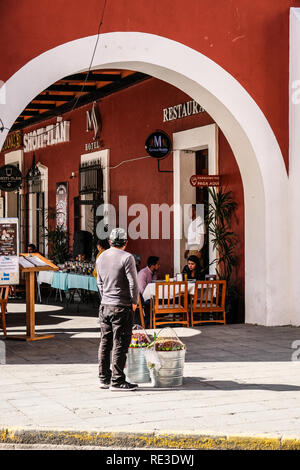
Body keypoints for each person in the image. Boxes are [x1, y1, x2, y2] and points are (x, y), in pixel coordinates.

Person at [96, 228, 139, 391]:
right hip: (121, 306)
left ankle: (104, 378)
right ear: (126, 242)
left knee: (105, 342)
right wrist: (134, 302)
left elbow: (99, 283)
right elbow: (133, 283)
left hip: (105, 305)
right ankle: (118, 380)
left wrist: (104, 297)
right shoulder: (127, 258)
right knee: (120, 342)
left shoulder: (101, 258)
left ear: (109, 242)